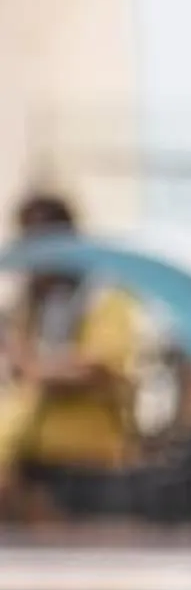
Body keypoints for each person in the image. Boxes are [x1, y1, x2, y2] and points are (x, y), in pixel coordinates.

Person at [0, 188, 141, 514]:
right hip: (32, 457)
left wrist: (33, 365)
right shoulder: (31, 305)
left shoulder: (102, 298)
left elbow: (98, 368)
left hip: (89, 463)